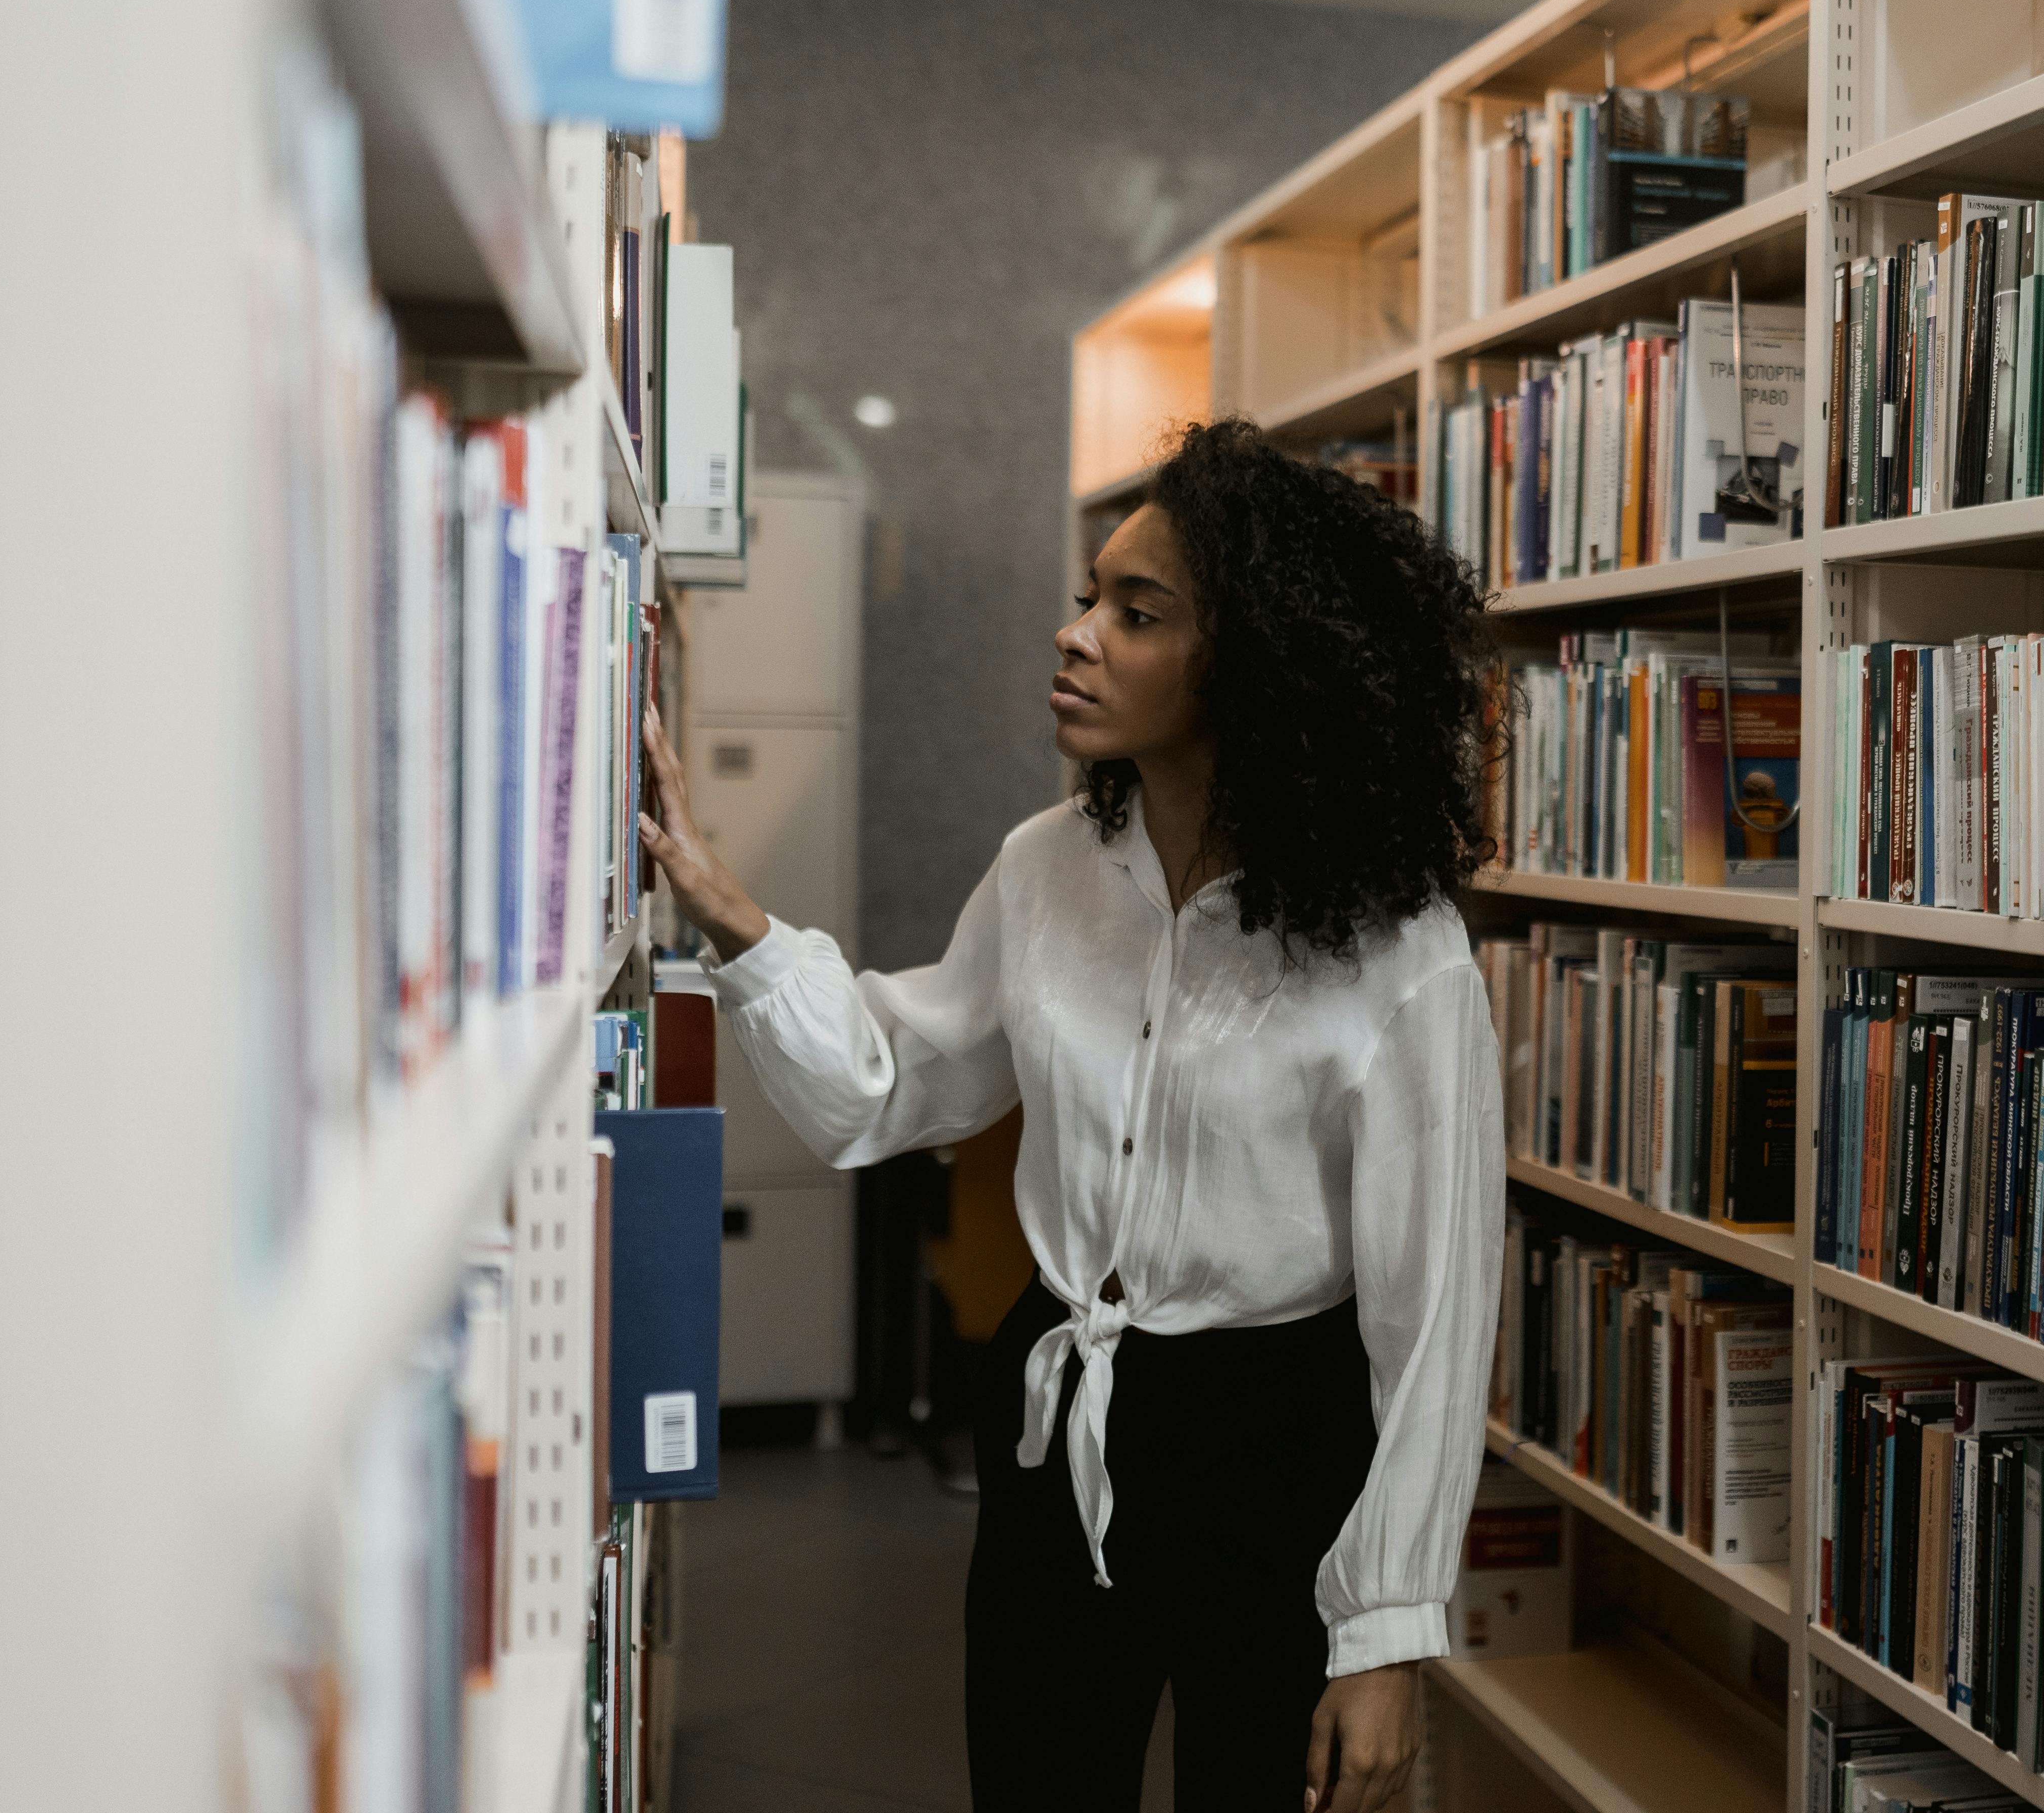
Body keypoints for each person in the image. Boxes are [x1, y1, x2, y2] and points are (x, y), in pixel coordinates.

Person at [638, 419, 1506, 1813]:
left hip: (1277, 1443)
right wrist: (730, 916)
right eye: (1089, 594)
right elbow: (897, 1089)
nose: (1075, 633)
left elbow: (1436, 1319)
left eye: (1135, 611)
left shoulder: (1400, 953)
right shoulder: (1046, 868)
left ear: (1255, 661)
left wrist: (1388, 1634)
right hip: (1054, 1405)